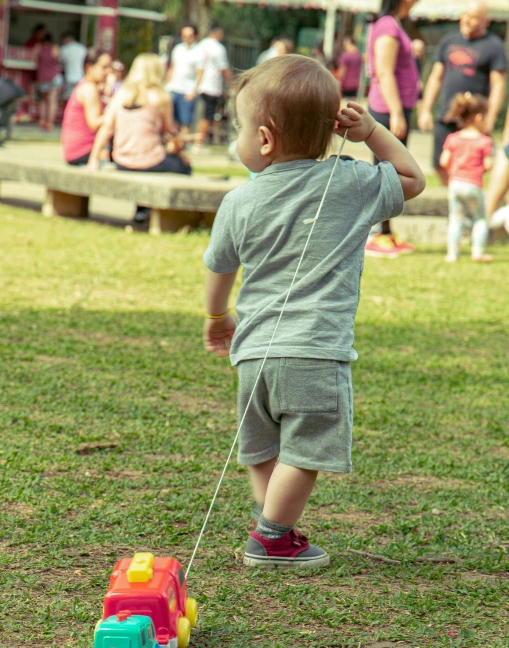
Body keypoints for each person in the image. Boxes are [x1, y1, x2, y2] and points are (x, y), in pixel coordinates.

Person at [202, 55, 425, 568]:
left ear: (263, 139)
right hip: (316, 353)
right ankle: (272, 537)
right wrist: (372, 133)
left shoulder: (238, 201)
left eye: (237, 128)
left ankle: (271, 523)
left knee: (262, 445)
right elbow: (412, 178)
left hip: (254, 353)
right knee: (304, 451)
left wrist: (217, 318)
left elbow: (219, 267)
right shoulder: (348, 184)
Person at [87, 53, 191, 223]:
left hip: (122, 161)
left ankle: (142, 209)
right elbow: (169, 131)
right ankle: (168, 213)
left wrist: (93, 160)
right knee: (184, 168)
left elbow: (106, 128)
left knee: (152, 164)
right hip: (151, 160)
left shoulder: (121, 94)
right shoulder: (161, 97)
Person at [418, 0, 506, 186]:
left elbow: (498, 85)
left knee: (472, 166)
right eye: (465, 15)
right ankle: (456, 194)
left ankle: (465, 199)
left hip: (473, 120)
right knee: (439, 162)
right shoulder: (449, 41)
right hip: (448, 115)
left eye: (473, 17)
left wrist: (490, 117)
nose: (467, 21)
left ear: (485, 21)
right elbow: (435, 78)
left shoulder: (494, 46)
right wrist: (425, 109)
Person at [364, 0, 420, 258]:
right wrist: (396, 112)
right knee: (388, 172)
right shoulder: (387, 26)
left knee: (391, 172)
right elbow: (384, 73)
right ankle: (376, 232)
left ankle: (385, 232)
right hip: (387, 109)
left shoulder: (393, 24)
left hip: (394, 106)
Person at [440, 93, 493, 263]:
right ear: (478, 117)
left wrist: (456, 170)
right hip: (473, 185)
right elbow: (488, 165)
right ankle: (477, 252)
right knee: (480, 218)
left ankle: (452, 254)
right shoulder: (484, 141)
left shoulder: (453, 138)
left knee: (455, 218)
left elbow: (443, 161)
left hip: (455, 184)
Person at [61, 50, 111, 166]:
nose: (108, 71)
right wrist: (114, 113)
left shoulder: (86, 85)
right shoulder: (89, 88)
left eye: (109, 67)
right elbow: (94, 123)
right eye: (104, 67)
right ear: (89, 67)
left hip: (74, 151)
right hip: (82, 151)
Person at [193, 24, 232, 151]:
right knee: (207, 116)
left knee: (200, 115)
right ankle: (199, 143)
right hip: (211, 85)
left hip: (198, 85)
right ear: (217, 32)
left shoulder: (200, 45)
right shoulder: (218, 48)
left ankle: (195, 140)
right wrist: (232, 85)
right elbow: (224, 69)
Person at [165, 24, 204, 135]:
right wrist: (166, 85)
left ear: (195, 36)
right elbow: (172, 68)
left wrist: (194, 91)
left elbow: (200, 73)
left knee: (185, 121)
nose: (186, 38)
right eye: (184, 35)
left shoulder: (198, 51)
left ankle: (183, 144)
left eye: (189, 35)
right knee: (172, 119)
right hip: (173, 88)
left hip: (187, 90)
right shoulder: (178, 49)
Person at [60, 32, 87, 101]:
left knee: (67, 98)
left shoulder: (64, 49)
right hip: (80, 76)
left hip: (68, 77)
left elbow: (61, 63)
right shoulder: (82, 48)